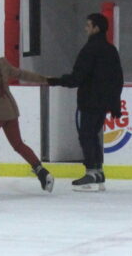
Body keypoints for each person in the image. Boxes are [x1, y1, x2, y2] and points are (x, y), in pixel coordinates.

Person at [47, 13, 124, 192]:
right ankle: (97, 171)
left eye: (88, 25)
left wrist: (56, 81)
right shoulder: (110, 49)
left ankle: (91, 173)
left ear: (96, 28)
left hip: (89, 101)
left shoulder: (90, 49)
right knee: (93, 135)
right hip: (103, 103)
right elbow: (117, 78)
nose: (86, 28)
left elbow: (78, 76)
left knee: (86, 135)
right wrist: (114, 103)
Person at [0, 42, 54, 195]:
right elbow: (21, 74)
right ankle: (42, 172)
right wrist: (44, 79)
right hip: (10, 110)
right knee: (18, 144)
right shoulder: (2, 63)